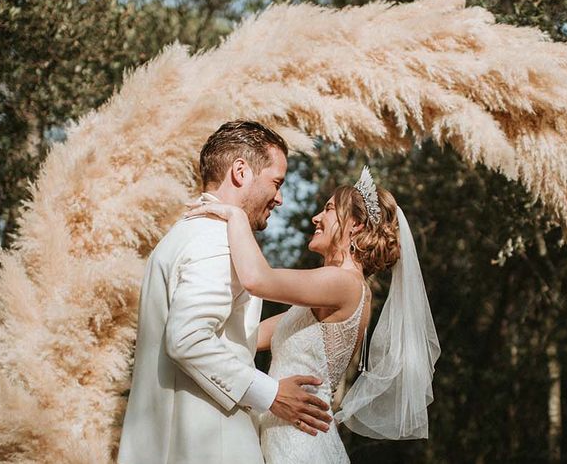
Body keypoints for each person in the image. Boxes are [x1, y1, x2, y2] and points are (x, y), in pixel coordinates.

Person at [185, 166, 440, 463]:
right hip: (285, 440)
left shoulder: (345, 283)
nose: (316, 218)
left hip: (302, 447)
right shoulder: (321, 300)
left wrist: (236, 215)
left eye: (329, 209)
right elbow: (248, 336)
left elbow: (257, 279)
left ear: (355, 225)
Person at [117, 121, 332, 464]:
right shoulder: (216, 239)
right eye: (276, 182)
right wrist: (271, 393)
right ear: (241, 172)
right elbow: (187, 338)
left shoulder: (178, 236)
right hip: (207, 447)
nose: (280, 198)